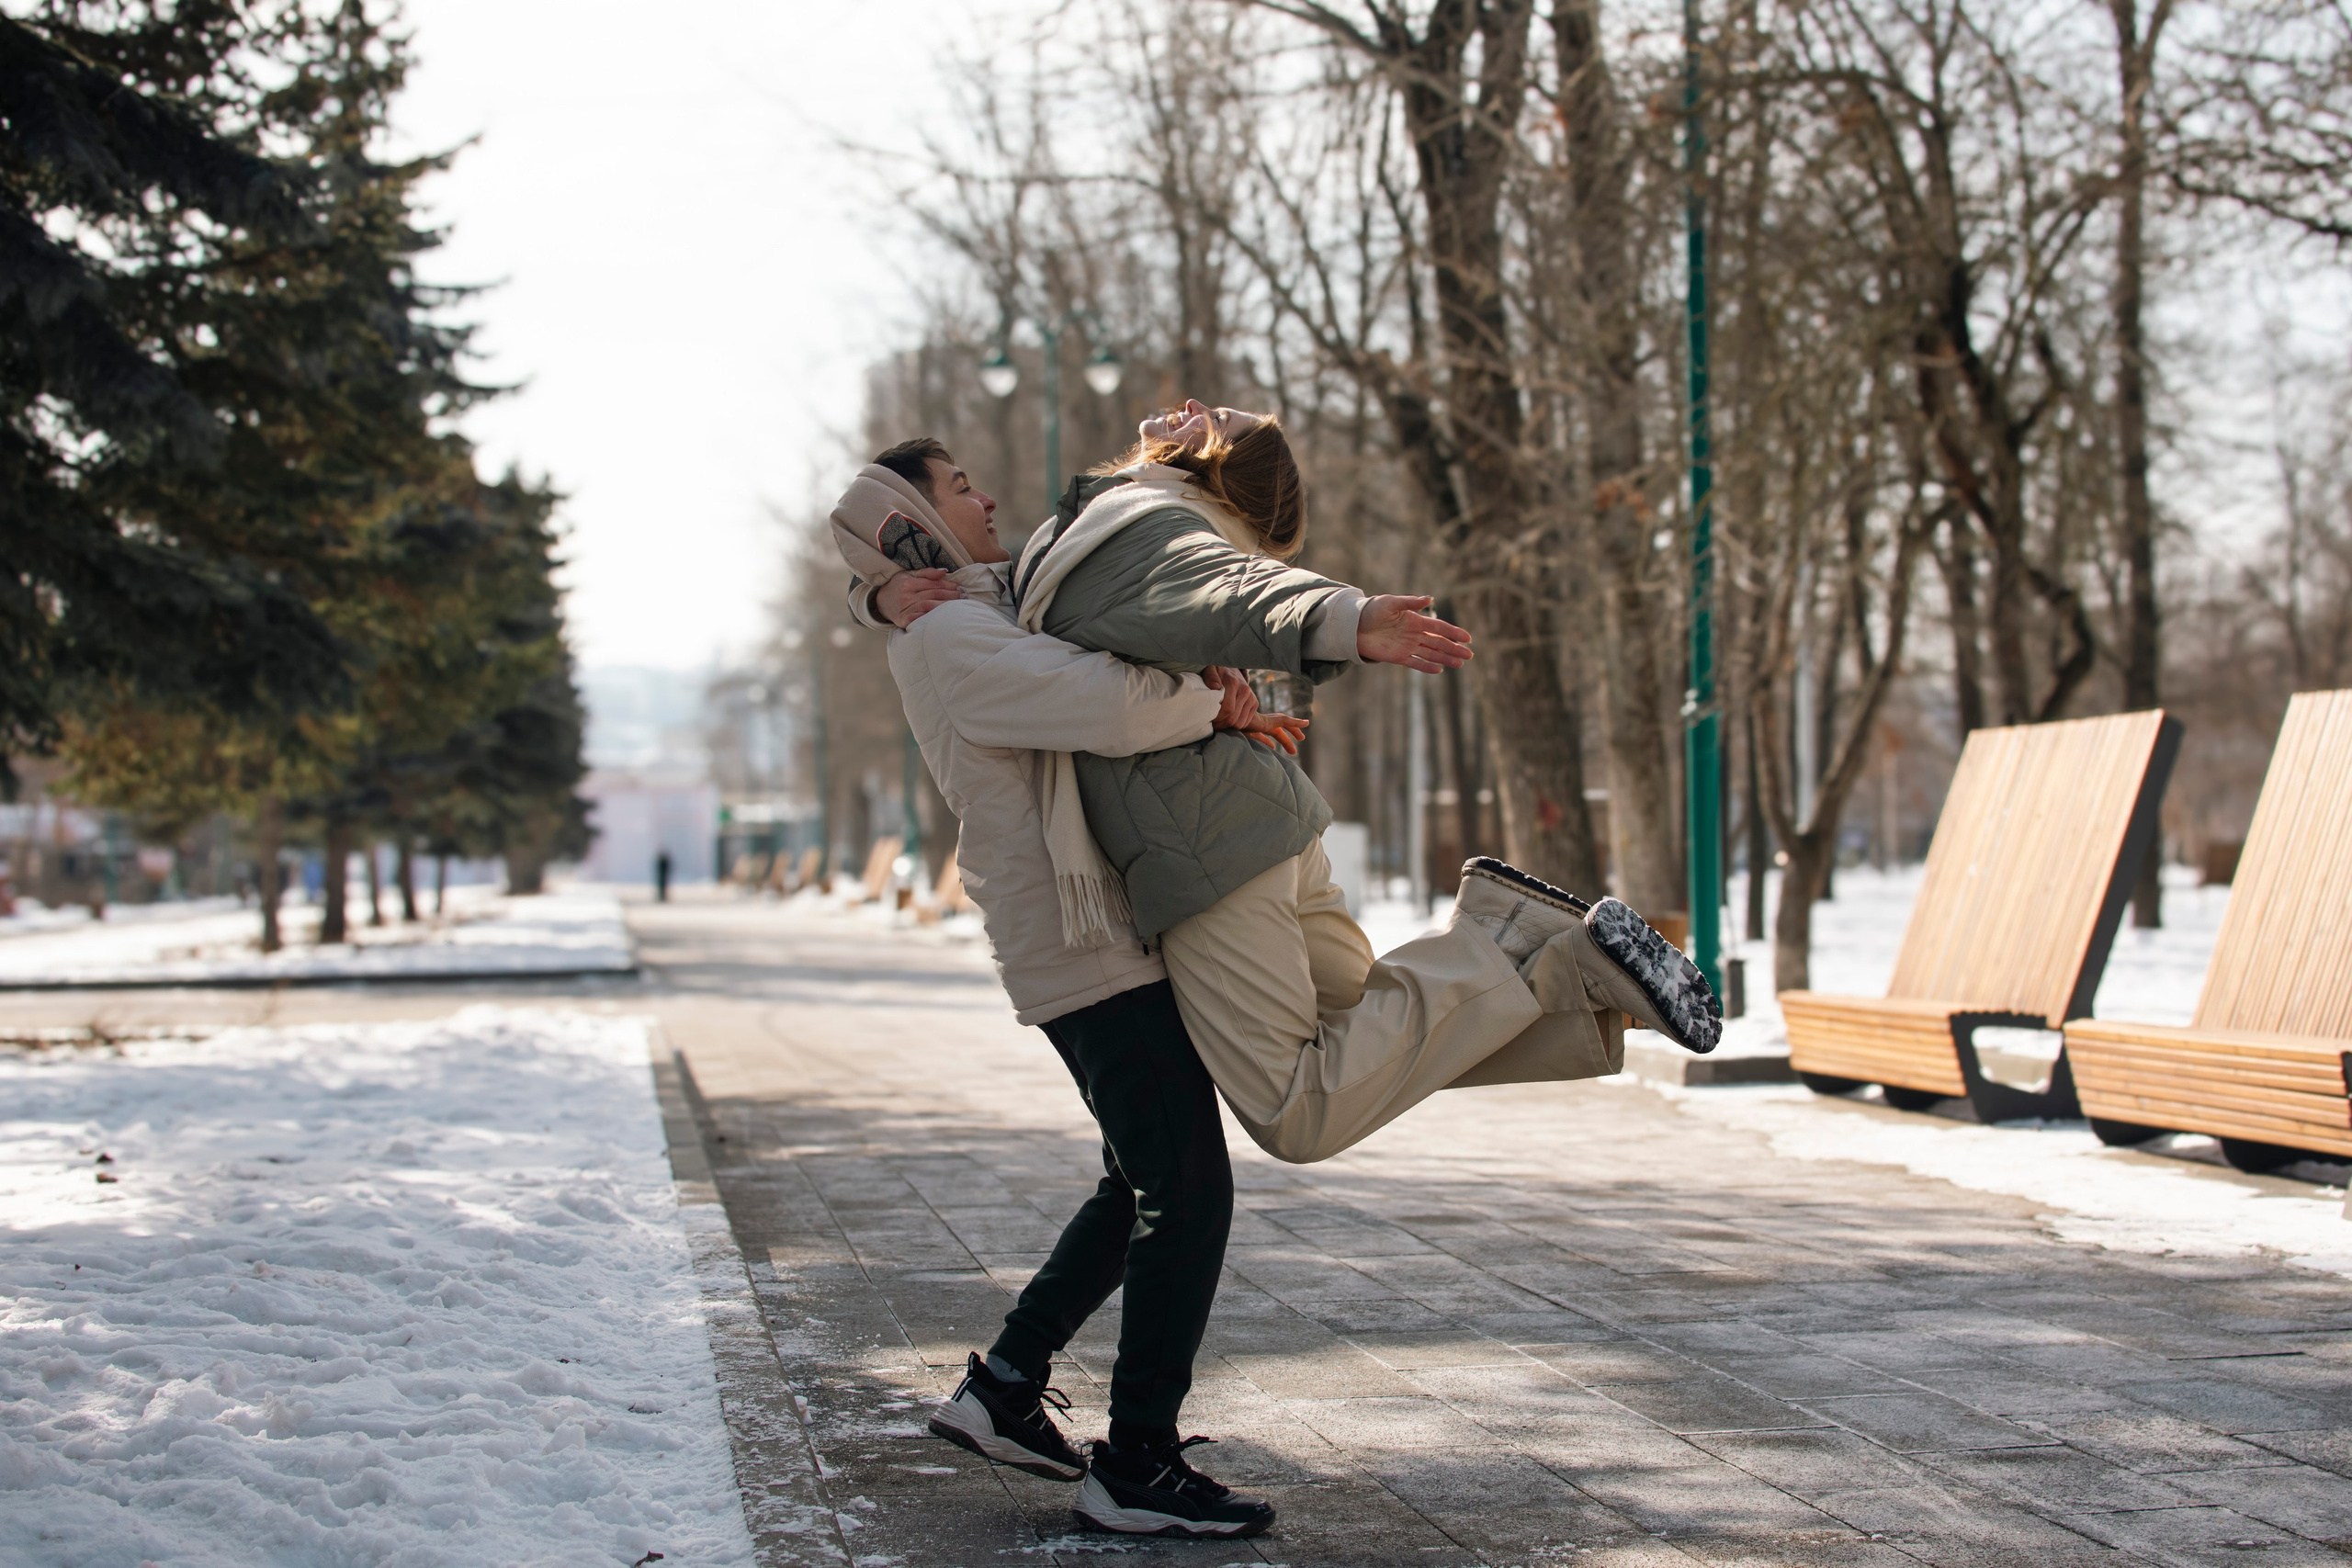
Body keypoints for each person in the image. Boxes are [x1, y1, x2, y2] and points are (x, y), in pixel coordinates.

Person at [865, 403, 1719, 1171]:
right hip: (1258, 826)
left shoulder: (1141, 520)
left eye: (1222, 419)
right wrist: (876, 594)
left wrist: (1341, 619)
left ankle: (1507, 943)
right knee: (1379, 1036)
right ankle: (1575, 979)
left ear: (1214, 465)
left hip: (1206, 849)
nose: (1196, 404)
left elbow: (1233, 588)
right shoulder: (1101, 526)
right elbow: (997, 598)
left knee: (1296, 1112)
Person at [831, 441, 1278, 1540]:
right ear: (910, 525)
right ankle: (1135, 1465)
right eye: (957, 489)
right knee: (1187, 1189)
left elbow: (1088, 573)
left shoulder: (966, 609)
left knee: (1141, 1177)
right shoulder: (947, 633)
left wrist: (867, 592)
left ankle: (1006, 1387)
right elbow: (1112, 706)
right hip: (1078, 944)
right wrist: (1202, 702)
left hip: (1089, 928)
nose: (986, 496)